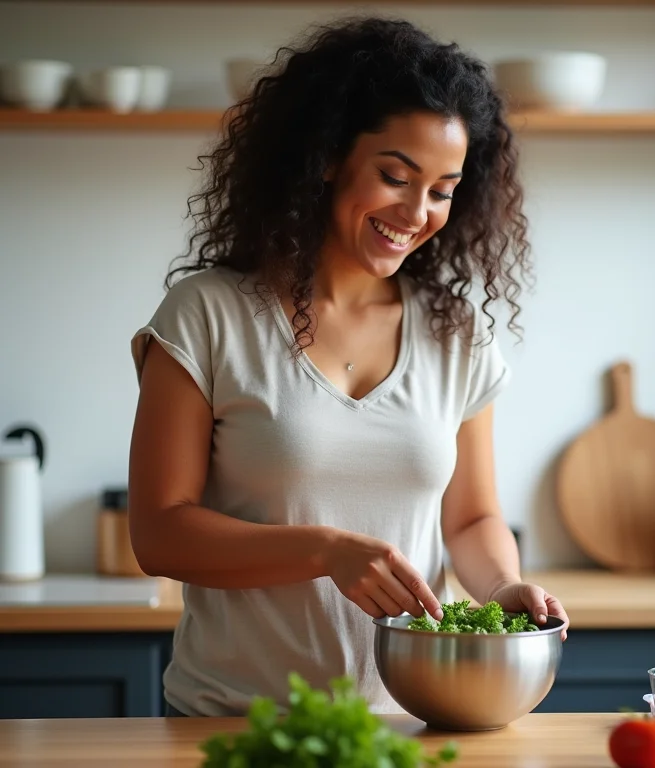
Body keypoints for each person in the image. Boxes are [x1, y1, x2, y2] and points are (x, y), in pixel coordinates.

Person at [127, 15, 569, 719]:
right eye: (395, 176)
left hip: (407, 723)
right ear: (329, 156)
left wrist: (503, 588)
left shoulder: (456, 332)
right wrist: (324, 550)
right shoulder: (206, 313)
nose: (417, 212)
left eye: (442, 189)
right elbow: (158, 533)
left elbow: (473, 518)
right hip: (233, 724)